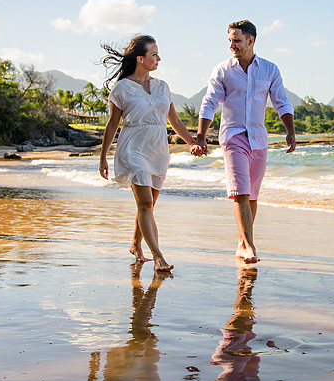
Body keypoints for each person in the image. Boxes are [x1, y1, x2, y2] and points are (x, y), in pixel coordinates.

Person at [194, 20, 296, 264]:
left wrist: (290, 131)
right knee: (240, 191)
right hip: (233, 135)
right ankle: (250, 246)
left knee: (251, 195)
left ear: (251, 40)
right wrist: (201, 136)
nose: (232, 45)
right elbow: (210, 102)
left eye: (237, 41)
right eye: (230, 41)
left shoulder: (270, 69)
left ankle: (242, 243)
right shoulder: (222, 70)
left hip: (259, 139)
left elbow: (281, 102)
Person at [99, 35, 197, 272]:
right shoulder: (121, 88)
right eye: (154, 54)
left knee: (148, 205)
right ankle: (158, 256)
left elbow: (174, 121)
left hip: (158, 150)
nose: (159, 58)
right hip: (133, 148)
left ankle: (135, 244)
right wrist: (103, 157)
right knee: (145, 204)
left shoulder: (163, 86)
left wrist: (193, 143)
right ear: (140, 58)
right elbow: (112, 124)